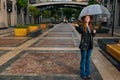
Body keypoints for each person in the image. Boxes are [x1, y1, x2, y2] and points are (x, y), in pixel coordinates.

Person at [73, 15, 96, 80]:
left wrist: (94, 33)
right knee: (83, 60)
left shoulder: (91, 26)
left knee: (88, 60)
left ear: (90, 19)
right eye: (86, 17)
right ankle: (83, 74)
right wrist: (76, 27)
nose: (87, 18)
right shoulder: (82, 26)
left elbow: (92, 36)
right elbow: (80, 31)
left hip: (90, 45)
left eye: (88, 18)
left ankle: (88, 74)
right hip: (84, 45)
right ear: (84, 19)